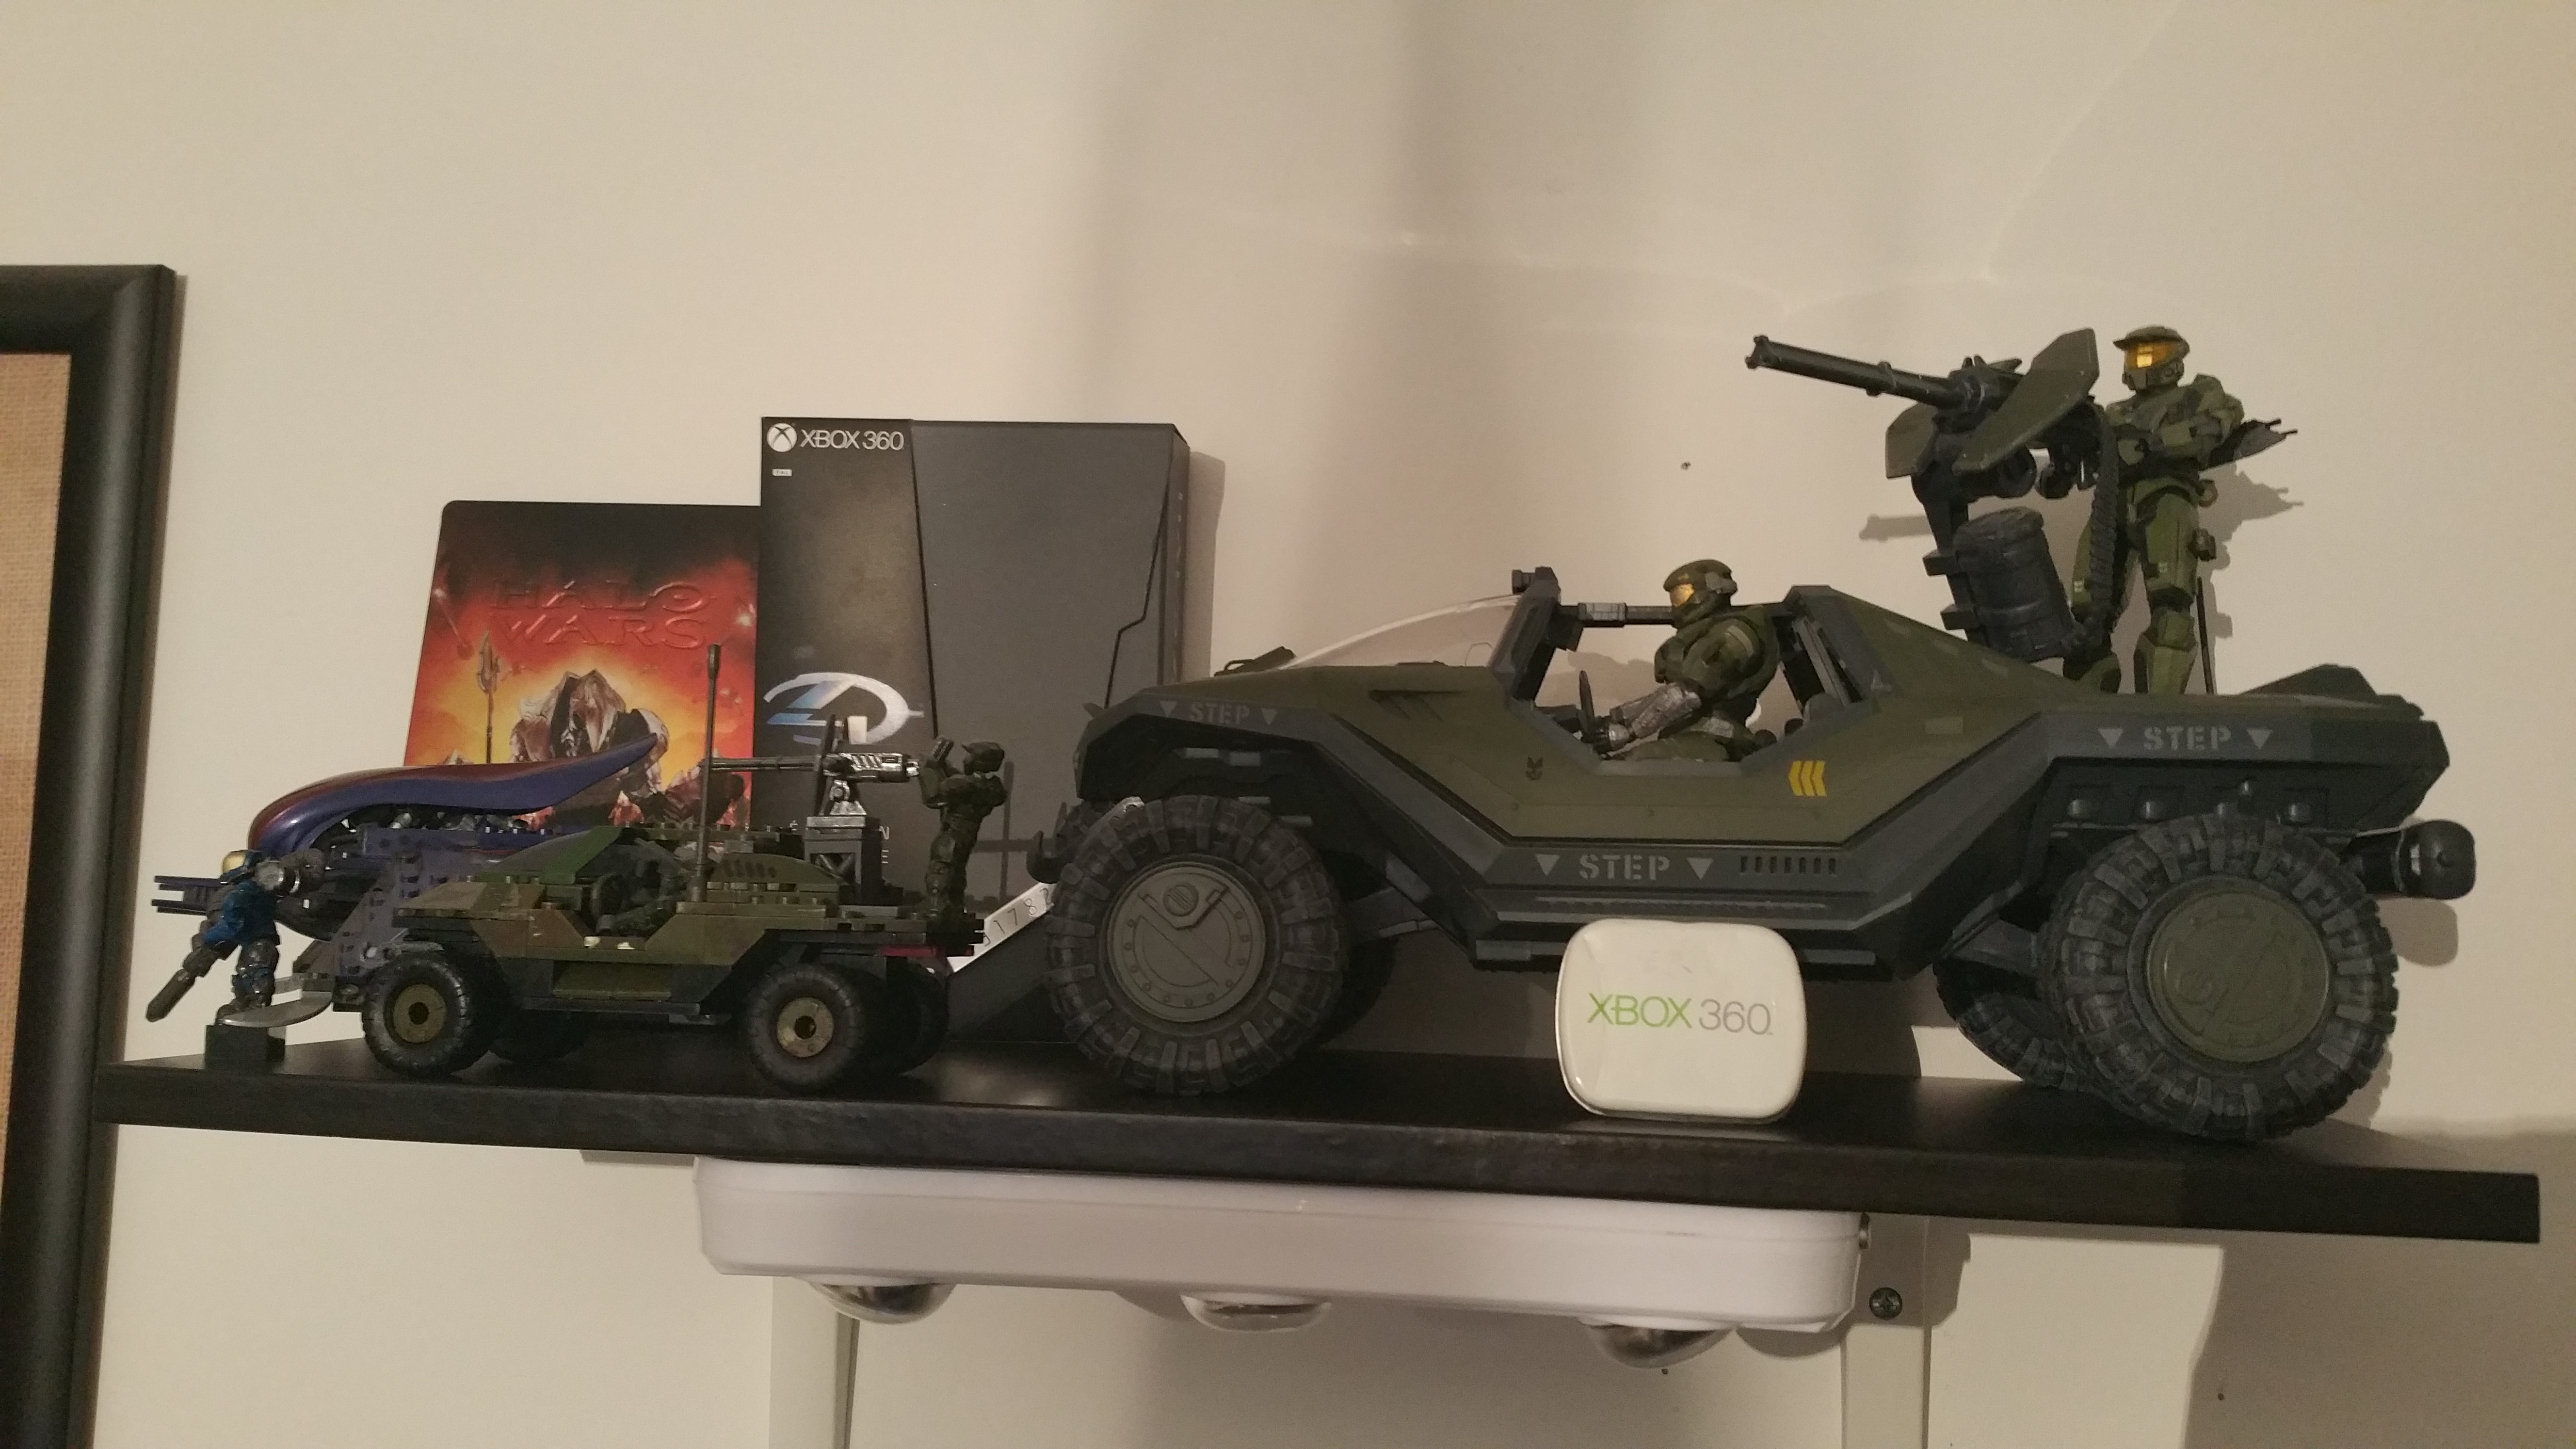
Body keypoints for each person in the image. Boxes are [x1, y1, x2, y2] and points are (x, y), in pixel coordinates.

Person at [2062, 325, 2242, 694]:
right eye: (2134, 356)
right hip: (2111, 503)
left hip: (2166, 497)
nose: (2140, 363)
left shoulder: (2198, 394)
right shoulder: (2113, 413)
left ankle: (2159, 708)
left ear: (2174, 360)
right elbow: (2083, 454)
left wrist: (2156, 444)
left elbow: (2219, 422)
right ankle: (2087, 706)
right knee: (2087, 613)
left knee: (2171, 608)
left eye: (2150, 355)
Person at [1599, 559, 1780, 761]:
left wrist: (1629, 733)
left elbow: (1687, 695)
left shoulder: (1735, 634)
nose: (1678, 604)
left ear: (1711, 589)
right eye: (1675, 598)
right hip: (1694, 734)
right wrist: (1616, 718)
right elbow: (1668, 694)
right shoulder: (1712, 630)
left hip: (1717, 738)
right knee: (1621, 765)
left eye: (1683, 594)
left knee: (1630, 766)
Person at [144, 850, 281, 1022]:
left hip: (256, 939)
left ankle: (251, 1005)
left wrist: (209, 938)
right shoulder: (238, 894)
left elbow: (231, 925)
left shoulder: (251, 891)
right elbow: (227, 924)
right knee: (245, 971)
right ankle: (246, 1006)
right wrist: (207, 942)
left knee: (255, 969)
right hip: (248, 938)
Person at [917, 738, 1009, 931]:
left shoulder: (965, 785)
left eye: (970, 756)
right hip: (967, 835)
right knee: (956, 873)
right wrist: (943, 767)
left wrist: (927, 770)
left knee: (941, 870)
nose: (966, 760)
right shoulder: (992, 787)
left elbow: (934, 797)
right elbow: (958, 782)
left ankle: (936, 909)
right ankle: (954, 909)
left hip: (952, 835)